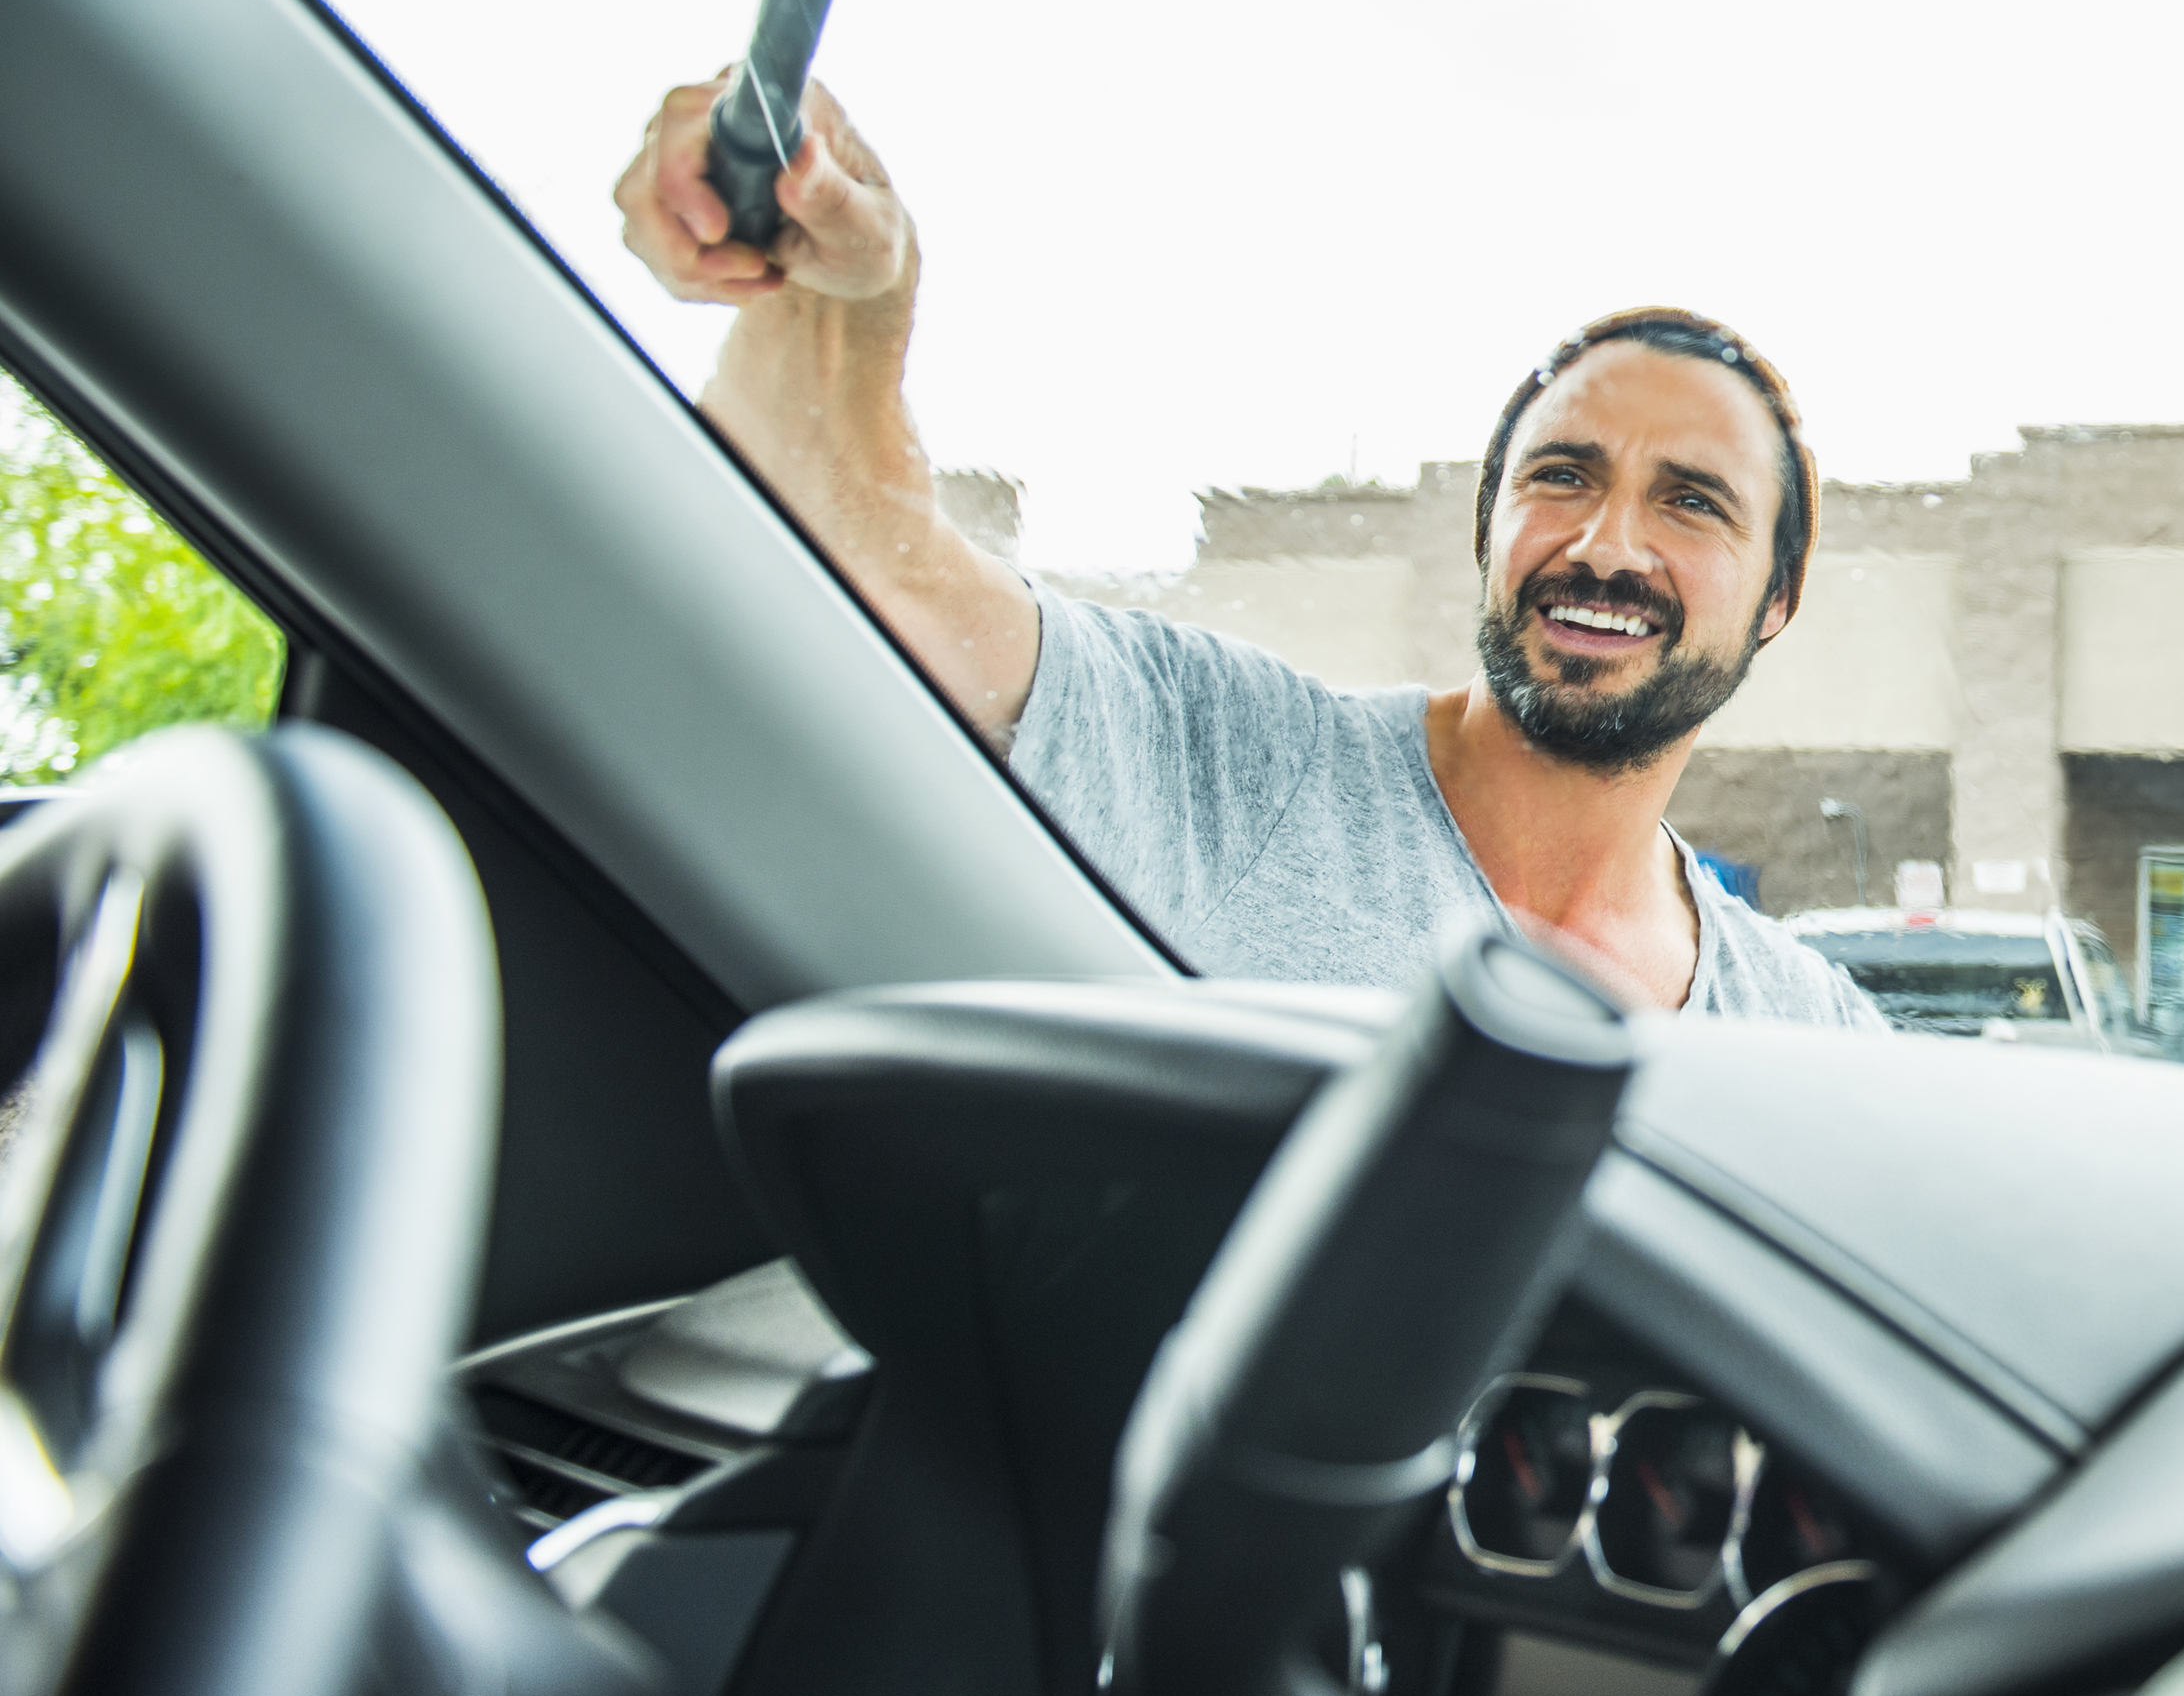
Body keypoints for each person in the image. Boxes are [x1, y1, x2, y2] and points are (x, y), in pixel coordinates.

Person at [612, 73, 1886, 1028]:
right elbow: (872, 567)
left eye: (1691, 502)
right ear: (1490, 528)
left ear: (1778, 596)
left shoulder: (1802, 1032)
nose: (1607, 544)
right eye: (1562, 476)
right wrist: (839, 308)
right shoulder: (1231, 763)